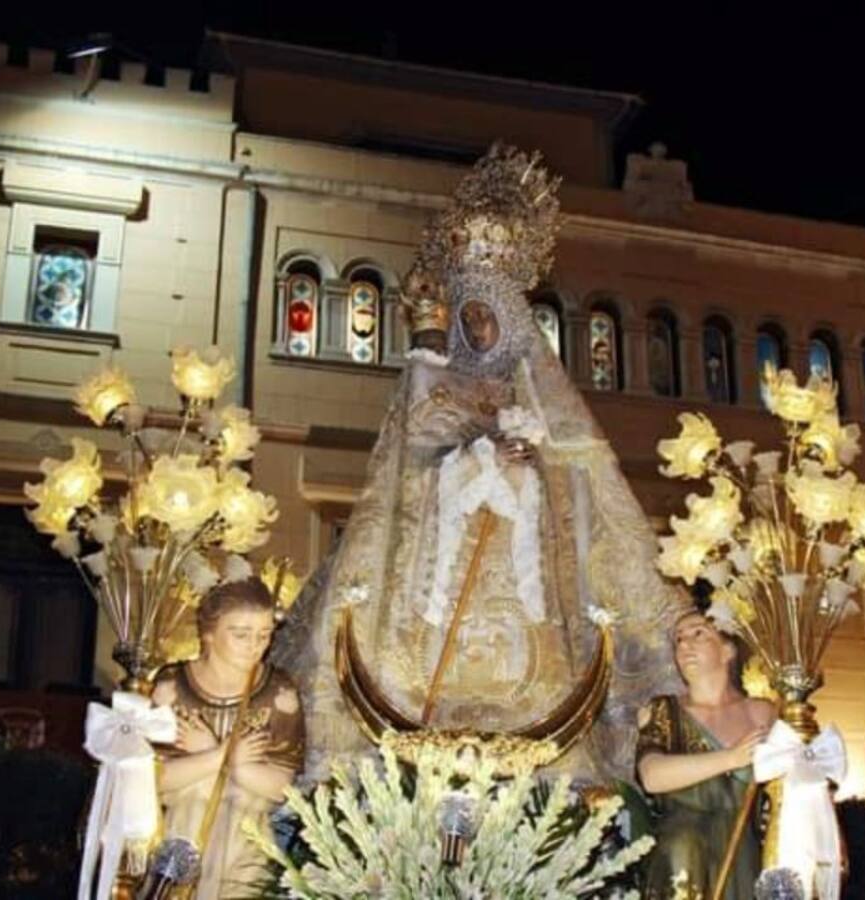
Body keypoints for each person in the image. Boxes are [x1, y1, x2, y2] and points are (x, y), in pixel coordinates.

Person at [272, 144, 683, 784]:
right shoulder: (438, 380)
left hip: (527, 579)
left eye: (488, 316)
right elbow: (409, 466)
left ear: (512, 318)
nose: (481, 329)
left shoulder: (541, 390)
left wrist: (531, 462)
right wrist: (478, 445)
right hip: (442, 563)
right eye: (471, 318)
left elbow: (582, 479)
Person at [152, 578, 304, 899]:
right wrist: (220, 756)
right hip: (179, 834)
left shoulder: (279, 692)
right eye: (241, 634)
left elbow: (281, 787)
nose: (255, 646)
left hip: (246, 839)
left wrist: (222, 760)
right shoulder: (172, 687)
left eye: (264, 635)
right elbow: (156, 779)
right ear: (208, 633)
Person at [636, 609, 775, 900]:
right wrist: (730, 759)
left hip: (746, 853)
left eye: (698, 633)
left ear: (727, 650)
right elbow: (652, 775)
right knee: (684, 848)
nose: (685, 645)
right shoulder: (664, 711)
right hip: (685, 855)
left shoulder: (762, 712)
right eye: (678, 640)